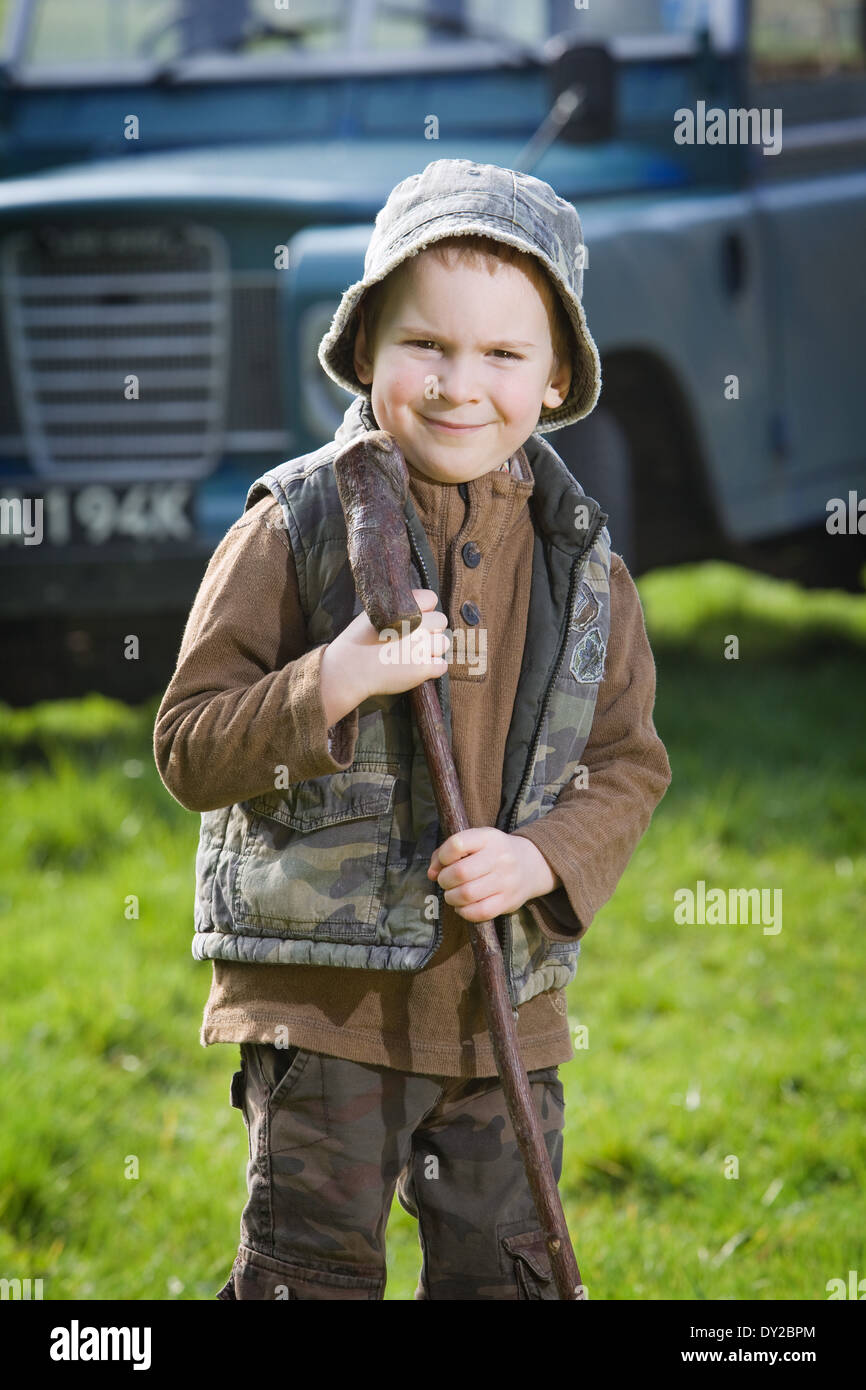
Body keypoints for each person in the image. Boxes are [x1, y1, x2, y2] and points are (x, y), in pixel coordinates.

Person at [153, 158, 672, 1300]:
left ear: (553, 382)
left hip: (502, 1012)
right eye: (423, 346)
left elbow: (627, 764)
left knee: (503, 1275)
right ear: (365, 353)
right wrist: (330, 680)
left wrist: (541, 856)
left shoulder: (587, 568)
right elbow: (189, 743)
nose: (456, 384)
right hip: (323, 1002)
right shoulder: (294, 528)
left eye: (500, 354)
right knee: (311, 1274)